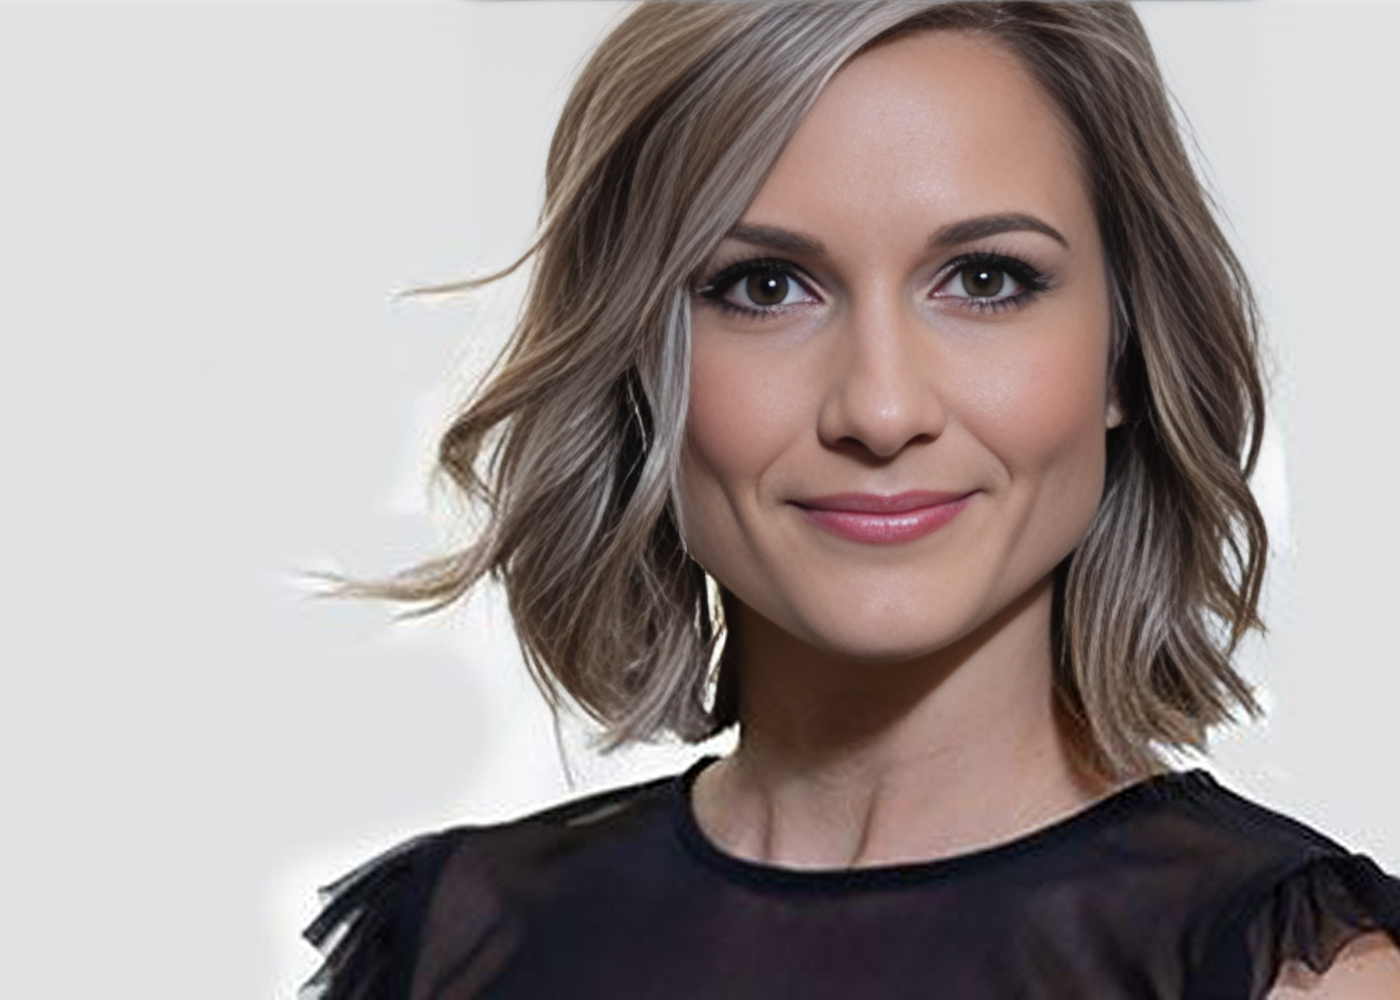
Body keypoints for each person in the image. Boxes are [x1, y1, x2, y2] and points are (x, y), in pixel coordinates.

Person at [298, 2, 1400, 997]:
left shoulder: (1296, 977)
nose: (878, 409)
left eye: (984, 280)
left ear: (1121, 352)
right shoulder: (455, 944)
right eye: (763, 287)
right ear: (640, 360)